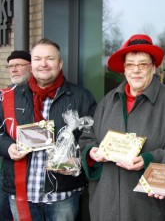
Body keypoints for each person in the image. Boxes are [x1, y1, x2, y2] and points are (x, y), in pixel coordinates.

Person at [79, 34, 165, 221]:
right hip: (106, 206)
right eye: (130, 64)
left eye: (143, 64)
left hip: (150, 208)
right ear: (124, 69)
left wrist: (148, 159)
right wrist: (92, 152)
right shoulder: (108, 101)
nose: (136, 71)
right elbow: (87, 138)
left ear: (154, 67)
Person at [0, 38, 96, 221]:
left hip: (63, 195)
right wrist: (8, 147)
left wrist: (77, 160)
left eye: (50, 58)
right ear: (32, 64)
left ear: (60, 63)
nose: (43, 64)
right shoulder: (9, 97)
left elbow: (93, 137)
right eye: (37, 59)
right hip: (21, 194)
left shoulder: (82, 97)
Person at [0, 50, 31, 221]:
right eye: (10, 66)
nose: (14, 69)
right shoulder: (3, 97)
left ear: (32, 67)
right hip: (11, 176)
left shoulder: (44, 95)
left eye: (19, 65)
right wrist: (7, 146)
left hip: (46, 181)